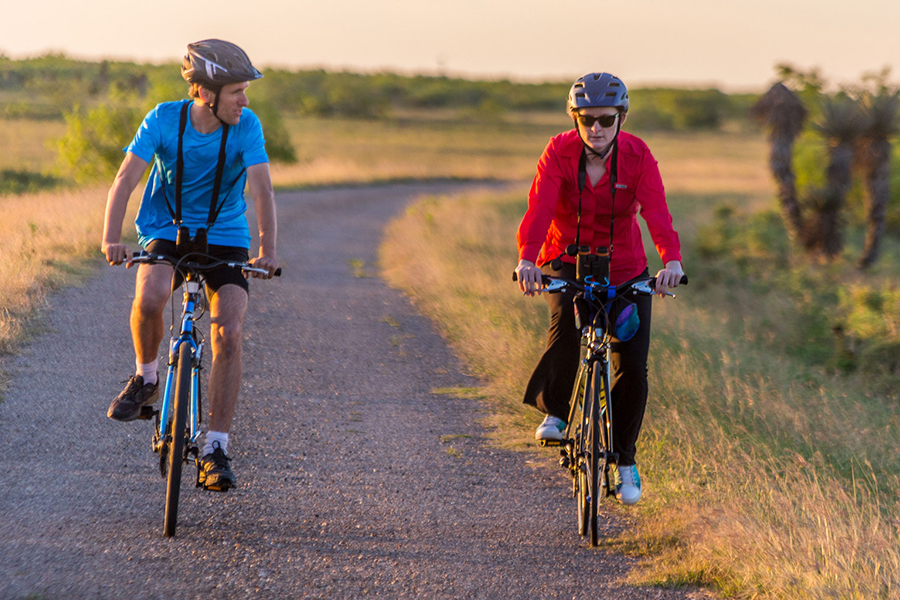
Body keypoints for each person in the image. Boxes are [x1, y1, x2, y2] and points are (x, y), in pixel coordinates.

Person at [101, 39, 278, 491]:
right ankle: (145, 379)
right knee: (152, 296)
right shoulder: (163, 119)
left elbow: (262, 191)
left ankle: (215, 448)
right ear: (205, 92)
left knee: (229, 330)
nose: (245, 100)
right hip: (167, 228)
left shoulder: (247, 126)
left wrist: (267, 250)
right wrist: (111, 238)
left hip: (226, 237)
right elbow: (125, 178)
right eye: (236, 91)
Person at [514, 72, 684, 505]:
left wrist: (671, 263)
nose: (596, 128)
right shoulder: (558, 151)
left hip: (625, 268)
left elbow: (658, 213)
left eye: (606, 119)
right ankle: (557, 409)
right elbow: (539, 208)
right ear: (575, 119)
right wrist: (528, 259)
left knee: (633, 366)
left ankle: (625, 461)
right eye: (586, 119)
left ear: (620, 118)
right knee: (565, 327)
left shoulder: (638, 155)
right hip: (565, 259)